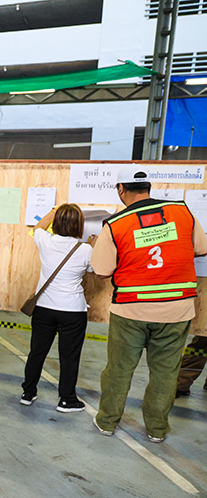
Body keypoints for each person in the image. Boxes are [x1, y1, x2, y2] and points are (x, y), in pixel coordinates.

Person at [91, 165, 207, 442]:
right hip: (177, 310)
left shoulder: (116, 224)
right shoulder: (183, 212)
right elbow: (201, 248)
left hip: (131, 310)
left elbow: (102, 270)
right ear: (149, 187)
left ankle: (107, 422)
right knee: (166, 372)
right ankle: (157, 429)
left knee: (119, 369)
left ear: (121, 189)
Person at [21, 205, 95, 412]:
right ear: (80, 225)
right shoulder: (86, 249)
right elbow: (94, 270)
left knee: (37, 351)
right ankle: (67, 400)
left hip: (44, 308)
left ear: (56, 223)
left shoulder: (45, 240)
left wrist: (54, 211)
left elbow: (38, 227)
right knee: (69, 357)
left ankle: (28, 393)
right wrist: (92, 244)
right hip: (72, 310)